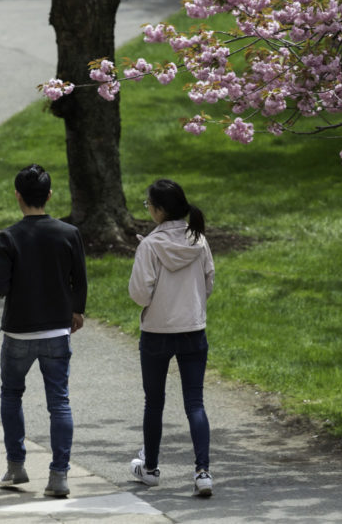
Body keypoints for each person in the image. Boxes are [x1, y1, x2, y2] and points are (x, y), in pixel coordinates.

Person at [0, 164, 88, 498]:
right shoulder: (68, 233)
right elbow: (80, 279)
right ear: (49, 195)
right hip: (56, 332)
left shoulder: (8, 237)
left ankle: (16, 466)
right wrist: (76, 311)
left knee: (11, 394)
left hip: (18, 332)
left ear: (17, 195)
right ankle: (59, 475)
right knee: (59, 402)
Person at [127, 178, 215, 497]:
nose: (147, 209)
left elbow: (139, 293)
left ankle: (150, 468)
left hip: (157, 332)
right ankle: (203, 471)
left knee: (155, 401)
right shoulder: (198, 240)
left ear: (160, 210)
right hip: (193, 328)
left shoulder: (150, 245)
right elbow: (208, 282)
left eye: (148, 204)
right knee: (195, 401)